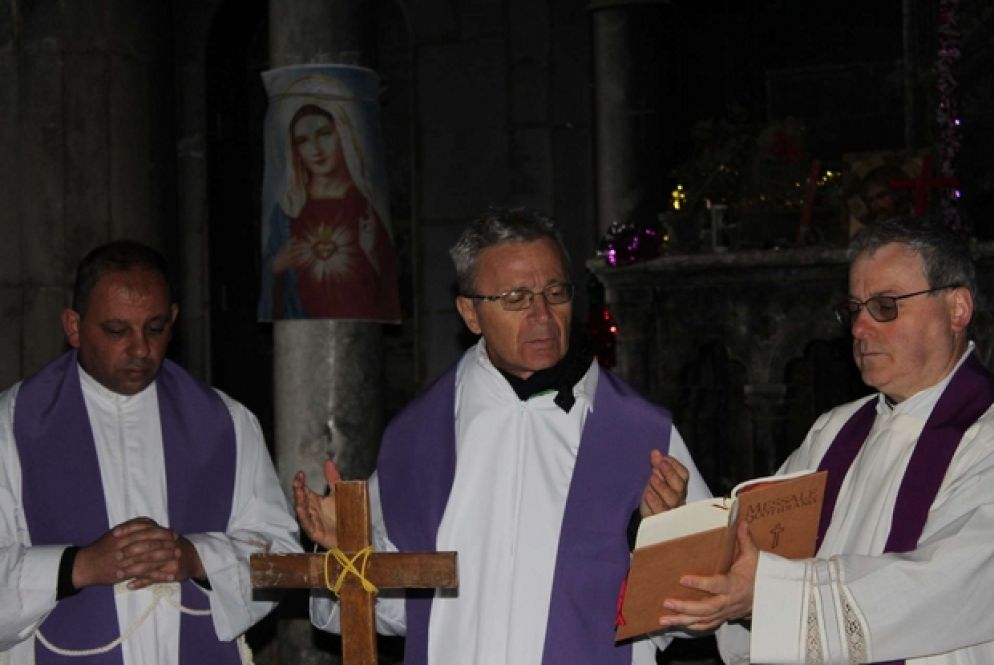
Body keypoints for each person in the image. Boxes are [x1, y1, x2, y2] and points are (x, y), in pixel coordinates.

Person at [295, 208, 711, 664]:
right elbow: (403, 613)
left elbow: (705, 606)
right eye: (516, 298)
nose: (542, 315)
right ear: (470, 313)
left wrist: (664, 541)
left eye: (556, 292)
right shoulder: (417, 439)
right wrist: (346, 553)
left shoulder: (641, 435)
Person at [659, 217, 994, 664]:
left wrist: (770, 595)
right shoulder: (834, 431)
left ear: (957, 309)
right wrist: (683, 532)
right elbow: (755, 546)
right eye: (855, 309)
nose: (859, 329)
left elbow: (950, 586)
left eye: (885, 306)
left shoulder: (984, 437)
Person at [0, 241, 301, 664]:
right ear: (73, 326)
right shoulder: (12, 425)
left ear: (174, 320)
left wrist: (196, 557)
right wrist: (78, 566)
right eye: (117, 331)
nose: (141, 349)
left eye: (156, 328)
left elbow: (281, 560)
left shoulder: (226, 424)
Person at [258, 76, 401, 322]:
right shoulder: (287, 210)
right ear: (295, 150)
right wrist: (276, 265)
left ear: (343, 135)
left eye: (324, 134)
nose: (315, 149)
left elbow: (389, 285)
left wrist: (372, 254)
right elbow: (273, 282)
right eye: (303, 141)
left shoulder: (365, 205)